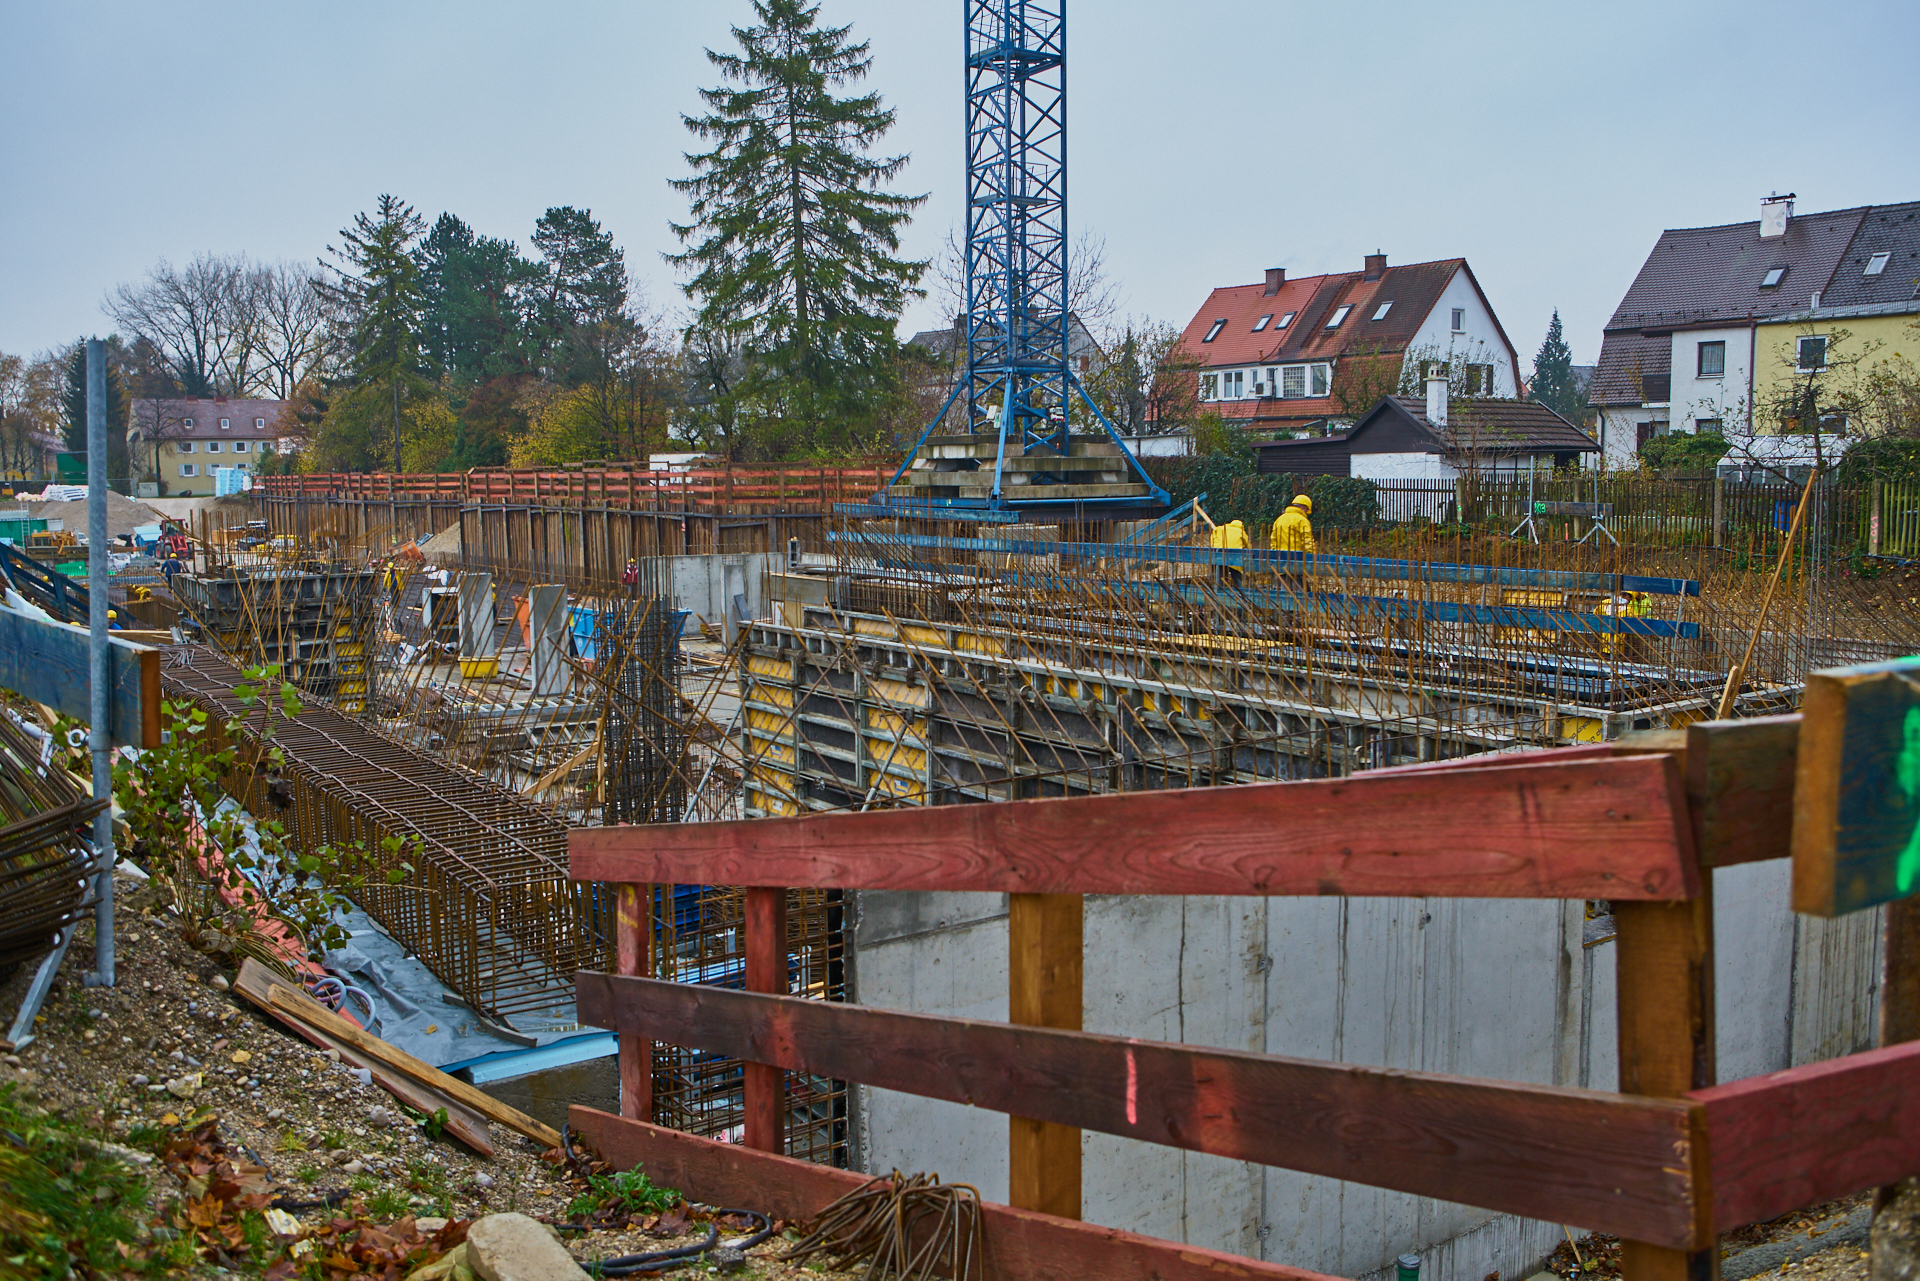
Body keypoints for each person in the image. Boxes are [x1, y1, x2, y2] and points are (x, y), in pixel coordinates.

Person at [1209, 518, 1250, 588]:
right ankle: (1241, 594)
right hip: (1234, 558)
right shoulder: (1241, 532)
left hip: (1219, 555)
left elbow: (1212, 540)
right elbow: (1249, 547)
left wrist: (1213, 552)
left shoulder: (1219, 528)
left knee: (1219, 577)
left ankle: (1219, 592)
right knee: (1236, 577)